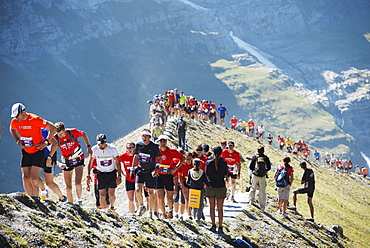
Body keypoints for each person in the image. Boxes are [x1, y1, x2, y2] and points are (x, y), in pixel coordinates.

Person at [10, 103, 57, 199]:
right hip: (26, 151)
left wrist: (46, 142)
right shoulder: (15, 121)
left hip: (38, 151)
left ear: (23, 112)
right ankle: (32, 199)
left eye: (17, 115)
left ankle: (42, 191)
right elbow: (12, 129)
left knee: (34, 178)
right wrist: (17, 140)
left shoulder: (35, 119)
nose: (16, 118)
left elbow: (53, 128)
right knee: (26, 178)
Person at [54, 122, 92, 205]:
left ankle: (79, 200)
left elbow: (83, 134)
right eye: (58, 134)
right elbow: (50, 152)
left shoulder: (72, 132)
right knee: (68, 187)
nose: (60, 135)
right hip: (66, 160)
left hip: (78, 157)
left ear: (64, 130)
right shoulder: (55, 138)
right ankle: (70, 204)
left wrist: (88, 147)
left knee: (78, 183)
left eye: (61, 133)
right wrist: (58, 163)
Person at [87, 134, 122, 210]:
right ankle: (104, 211)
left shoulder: (112, 149)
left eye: (102, 143)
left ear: (106, 142)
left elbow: (118, 162)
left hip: (111, 173)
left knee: (111, 194)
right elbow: (90, 162)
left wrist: (119, 175)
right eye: (99, 144)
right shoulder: (95, 149)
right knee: (101, 195)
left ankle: (112, 207)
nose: (101, 146)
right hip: (101, 173)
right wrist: (88, 175)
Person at [132, 129, 162, 217]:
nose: (144, 138)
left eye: (146, 136)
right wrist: (133, 168)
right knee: (137, 189)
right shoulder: (138, 145)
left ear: (149, 137)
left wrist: (157, 168)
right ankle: (141, 206)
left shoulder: (154, 146)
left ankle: (151, 211)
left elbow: (159, 157)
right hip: (140, 170)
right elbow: (136, 156)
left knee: (151, 192)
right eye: (143, 136)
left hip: (150, 171)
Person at [155, 135, 185, 219]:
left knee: (169, 197)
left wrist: (175, 168)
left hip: (168, 176)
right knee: (160, 197)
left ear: (166, 142)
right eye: (161, 141)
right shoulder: (156, 151)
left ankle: (170, 211)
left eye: (164, 141)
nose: (162, 143)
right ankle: (163, 213)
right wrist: (154, 170)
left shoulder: (172, 151)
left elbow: (183, 158)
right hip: (159, 176)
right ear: (158, 142)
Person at [205, 146, 228, 234]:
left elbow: (207, 173)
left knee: (212, 207)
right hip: (221, 186)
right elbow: (226, 174)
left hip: (211, 186)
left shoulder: (208, 162)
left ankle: (213, 225)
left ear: (213, 153)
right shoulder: (224, 163)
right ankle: (220, 226)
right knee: (220, 208)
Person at [41, 129, 66, 202]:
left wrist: (56, 162)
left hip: (49, 157)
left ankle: (61, 198)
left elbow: (55, 144)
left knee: (49, 183)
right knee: (33, 177)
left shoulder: (44, 132)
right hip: (38, 156)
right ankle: (43, 190)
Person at [248, 146, 271, 211]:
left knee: (253, 188)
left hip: (255, 175)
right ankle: (262, 206)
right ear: (263, 151)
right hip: (262, 176)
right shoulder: (265, 158)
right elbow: (269, 167)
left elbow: (251, 166)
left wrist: (254, 171)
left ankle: (251, 201)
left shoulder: (255, 157)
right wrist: (265, 171)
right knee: (262, 190)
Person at [186, 158, 209, 223]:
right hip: (200, 190)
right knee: (200, 204)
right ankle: (198, 218)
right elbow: (206, 182)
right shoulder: (202, 173)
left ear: (193, 164)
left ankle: (194, 217)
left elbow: (188, 182)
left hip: (193, 189)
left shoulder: (190, 172)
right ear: (200, 165)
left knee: (194, 204)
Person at [119, 142, 137, 214]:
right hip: (128, 179)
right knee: (130, 199)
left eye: (132, 148)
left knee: (137, 197)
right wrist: (121, 171)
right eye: (128, 148)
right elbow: (115, 162)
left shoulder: (137, 156)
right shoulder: (123, 156)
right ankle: (132, 214)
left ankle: (139, 213)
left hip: (137, 180)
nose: (130, 150)